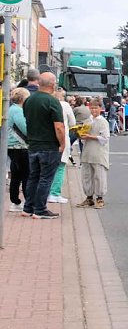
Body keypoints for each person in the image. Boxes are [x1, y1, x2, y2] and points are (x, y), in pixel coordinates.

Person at [22, 73, 65, 219]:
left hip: (33, 144)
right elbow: (59, 126)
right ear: (53, 84)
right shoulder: (52, 101)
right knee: (45, 178)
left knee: (33, 177)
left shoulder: (29, 100)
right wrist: (62, 144)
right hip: (49, 145)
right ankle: (40, 209)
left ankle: (28, 207)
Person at [76, 100, 111, 209]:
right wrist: (81, 135)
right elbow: (83, 138)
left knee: (99, 176)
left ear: (100, 108)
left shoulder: (103, 122)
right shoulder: (87, 121)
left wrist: (90, 137)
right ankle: (89, 197)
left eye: (96, 108)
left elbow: (105, 139)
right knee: (87, 176)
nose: (94, 110)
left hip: (99, 153)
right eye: (92, 108)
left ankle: (99, 198)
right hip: (87, 152)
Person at [8, 88, 30, 212]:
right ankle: (28, 201)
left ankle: (15, 201)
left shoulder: (12, 109)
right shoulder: (17, 111)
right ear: (22, 99)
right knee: (26, 174)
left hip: (14, 146)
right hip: (19, 146)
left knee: (16, 175)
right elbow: (26, 129)